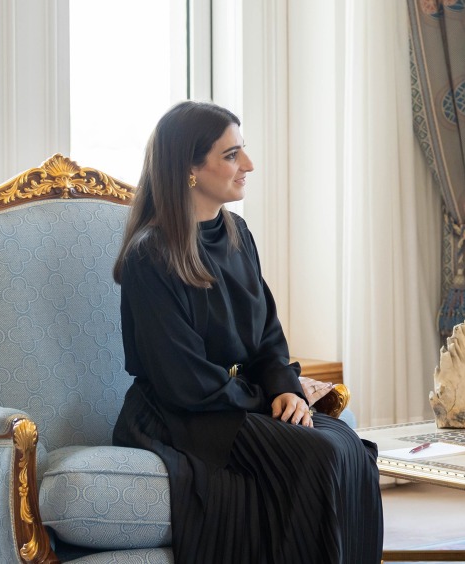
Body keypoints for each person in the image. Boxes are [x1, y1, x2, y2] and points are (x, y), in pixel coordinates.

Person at [112, 101, 382, 563]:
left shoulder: (236, 232)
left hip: (236, 402)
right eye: (231, 155)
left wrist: (285, 389)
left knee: (351, 447)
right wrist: (264, 399)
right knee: (319, 455)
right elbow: (184, 381)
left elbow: (268, 336)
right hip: (183, 415)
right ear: (190, 169)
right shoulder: (151, 255)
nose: (249, 165)